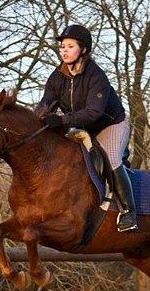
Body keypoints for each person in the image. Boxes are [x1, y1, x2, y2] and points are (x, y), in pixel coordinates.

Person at [36, 24, 137, 232]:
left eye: (70, 46)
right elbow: (45, 103)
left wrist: (62, 121)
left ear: (83, 50)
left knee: (111, 157)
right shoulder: (57, 77)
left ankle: (129, 212)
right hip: (80, 126)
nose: (64, 50)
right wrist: (38, 118)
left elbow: (94, 113)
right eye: (62, 46)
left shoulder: (96, 76)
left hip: (110, 125)